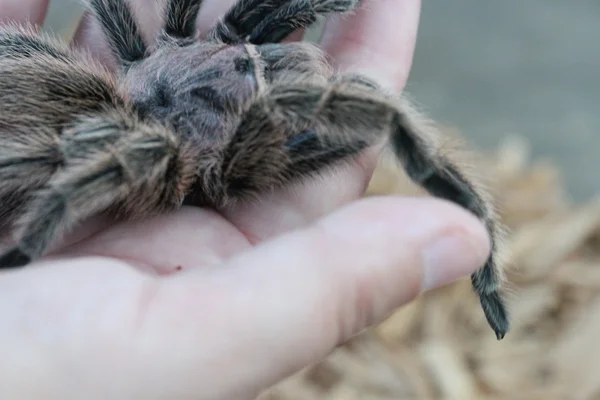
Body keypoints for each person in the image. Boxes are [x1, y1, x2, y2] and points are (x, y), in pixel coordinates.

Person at [0, 0, 491, 398]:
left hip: (77, 88)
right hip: (122, 131)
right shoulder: (162, 153)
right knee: (375, 113)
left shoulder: (162, 42)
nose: (257, 52)